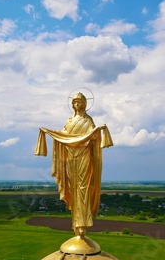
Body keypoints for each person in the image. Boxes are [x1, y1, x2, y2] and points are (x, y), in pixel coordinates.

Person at [35, 92, 113, 237]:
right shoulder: (70, 121)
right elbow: (64, 136)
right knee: (73, 188)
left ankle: (82, 223)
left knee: (83, 188)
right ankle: (75, 223)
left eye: (80, 102)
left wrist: (98, 130)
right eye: (75, 102)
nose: (77, 104)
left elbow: (91, 136)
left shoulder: (88, 121)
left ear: (84, 104)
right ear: (72, 105)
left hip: (84, 156)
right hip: (71, 158)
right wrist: (49, 131)